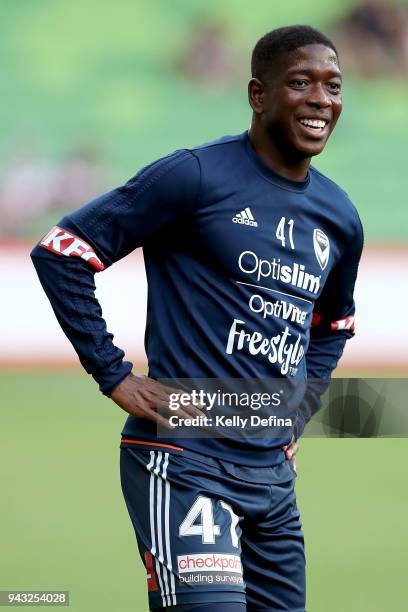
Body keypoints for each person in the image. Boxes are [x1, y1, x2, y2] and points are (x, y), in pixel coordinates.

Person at [31, 25, 363, 612]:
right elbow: (63, 251)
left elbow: (332, 329)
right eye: (301, 83)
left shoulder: (339, 215)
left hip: (273, 479)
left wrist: (297, 410)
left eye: (333, 86)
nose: (321, 99)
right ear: (258, 95)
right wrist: (113, 373)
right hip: (182, 460)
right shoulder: (194, 176)